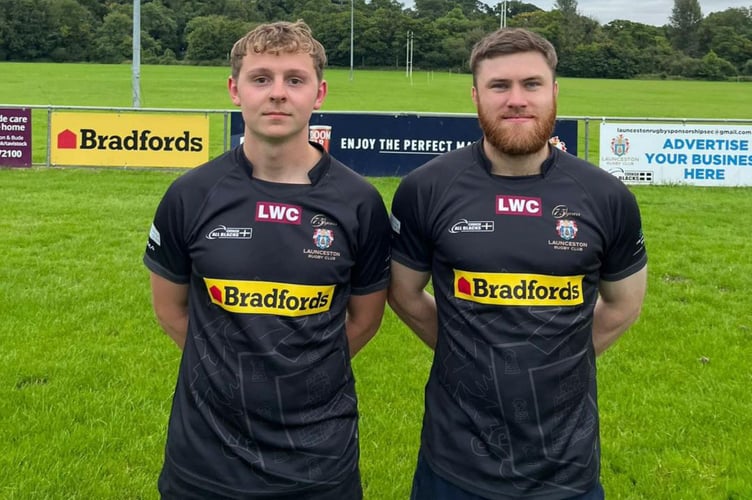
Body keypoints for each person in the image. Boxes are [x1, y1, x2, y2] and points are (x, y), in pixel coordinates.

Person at [388, 28, 647, 500]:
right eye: (499, 86)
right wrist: (465, 350)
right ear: (475, 96)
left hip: (566, 468)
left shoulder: (606, 196)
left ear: (554, 92)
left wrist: (557, 358)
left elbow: (624, 304)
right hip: (453, 465)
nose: (516, 100)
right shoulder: (426, 189)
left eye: (531, 84)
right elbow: (403, 293)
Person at [143, 20, 391, 499]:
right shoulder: (191, 194)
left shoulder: (359, 202)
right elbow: (170, 309)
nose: (278, 93)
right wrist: (225, 368)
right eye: (261, 78)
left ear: (319, 94)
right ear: (235, 90)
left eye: (294, 79)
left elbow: (365, 319)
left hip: (320, 462)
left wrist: (303, 372)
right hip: (205, 460)